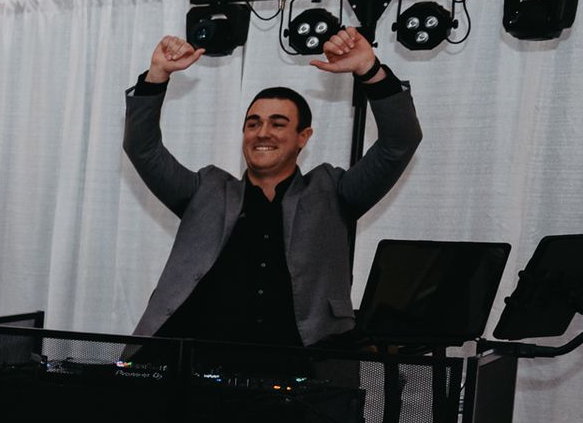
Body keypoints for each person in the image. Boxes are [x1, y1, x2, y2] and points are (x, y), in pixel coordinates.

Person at [126, 26, 422, 349]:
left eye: (278, 124)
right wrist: (157, 75)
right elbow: (143, 148)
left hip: (303, 366)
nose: (262, 133)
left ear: (303, 137)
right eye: (253, 124)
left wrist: (369, 70)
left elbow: (399, 142)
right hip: (193, 361)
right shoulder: (206, 189)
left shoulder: (333, 191)